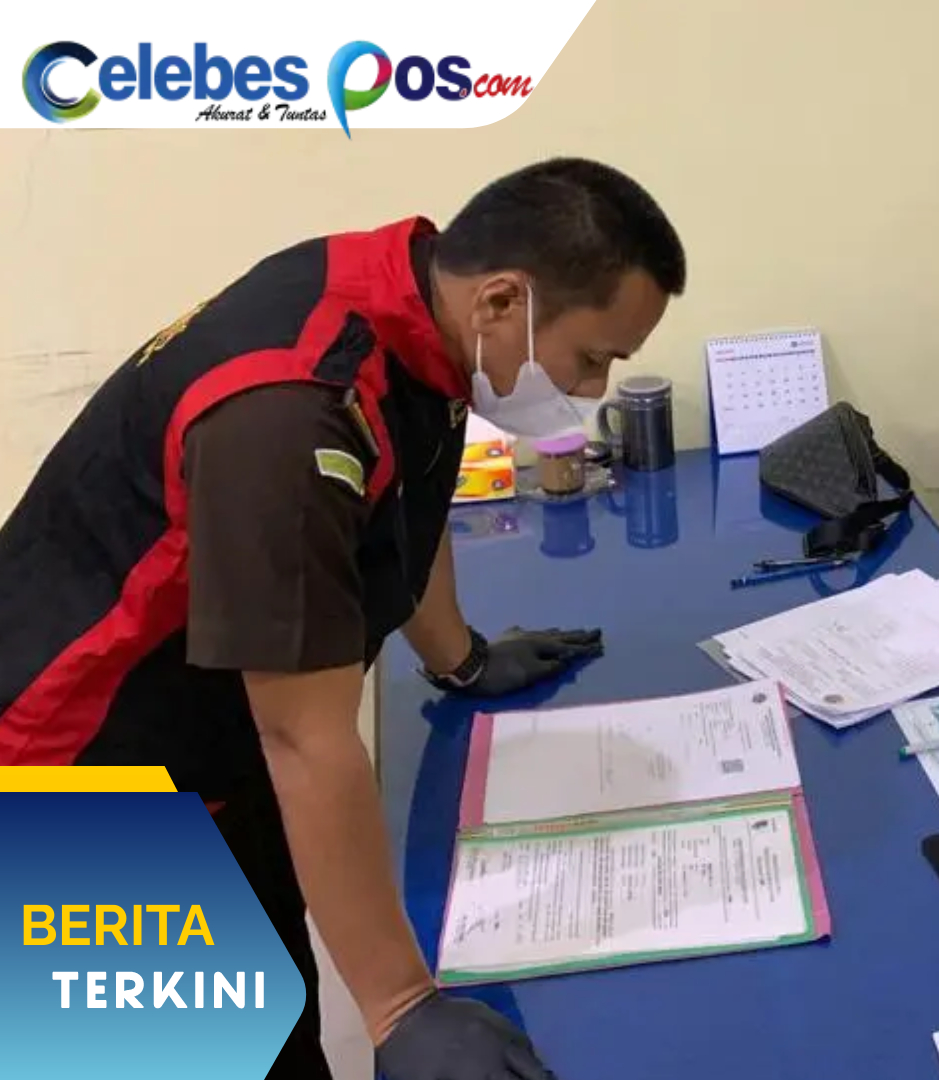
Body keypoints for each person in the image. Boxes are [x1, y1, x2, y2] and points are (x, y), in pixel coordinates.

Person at [0, 157, 687, 1080]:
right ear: (502, 301)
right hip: (77, 786)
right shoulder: (290, 417)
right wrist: (402, 1005)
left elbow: (405, 498)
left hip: (214, 735)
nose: (595, 389)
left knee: (276, 1008)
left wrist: (460, 657)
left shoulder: (412, 304)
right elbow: (304, 737)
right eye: (594, 358)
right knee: (204, 1056)